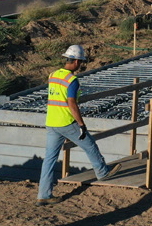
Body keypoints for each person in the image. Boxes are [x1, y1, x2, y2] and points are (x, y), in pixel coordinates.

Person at [37, 45, 120, 205]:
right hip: (66, 122)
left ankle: (43, 195)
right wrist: (82, 124)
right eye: (81, 62)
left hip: (51, 122)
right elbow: (72, 103)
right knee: (89, 144)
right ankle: (102, 172)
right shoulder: (72, 80)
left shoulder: (53, 75)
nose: (81, 65)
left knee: (49, 159)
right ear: (76, 61)